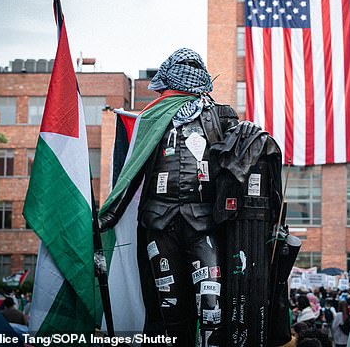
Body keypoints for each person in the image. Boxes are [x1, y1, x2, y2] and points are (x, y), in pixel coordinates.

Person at [99, 48, 257, 346]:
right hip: (160, 224)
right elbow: (134, 170)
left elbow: (237, 165)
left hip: (205, 224)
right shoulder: (152, 118)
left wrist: (247, 137)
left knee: (212, 303)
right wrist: (109, 214)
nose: (189, 67)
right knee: (168, 306)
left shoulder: (222, 115)